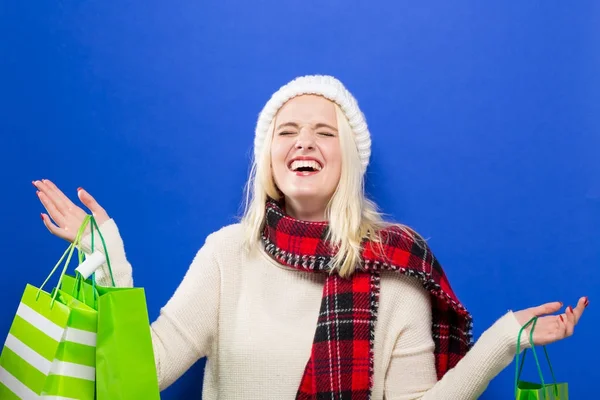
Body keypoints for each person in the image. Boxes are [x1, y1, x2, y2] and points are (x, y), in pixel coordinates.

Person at [33, 75, 587, 399]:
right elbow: (138, 377)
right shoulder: (227, 255)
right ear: (268, 156)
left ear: (348, 156)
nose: (305, 144)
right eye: (288, 132)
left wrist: (502, 340)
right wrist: (107, 259)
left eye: (325, 133)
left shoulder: (395, 265)